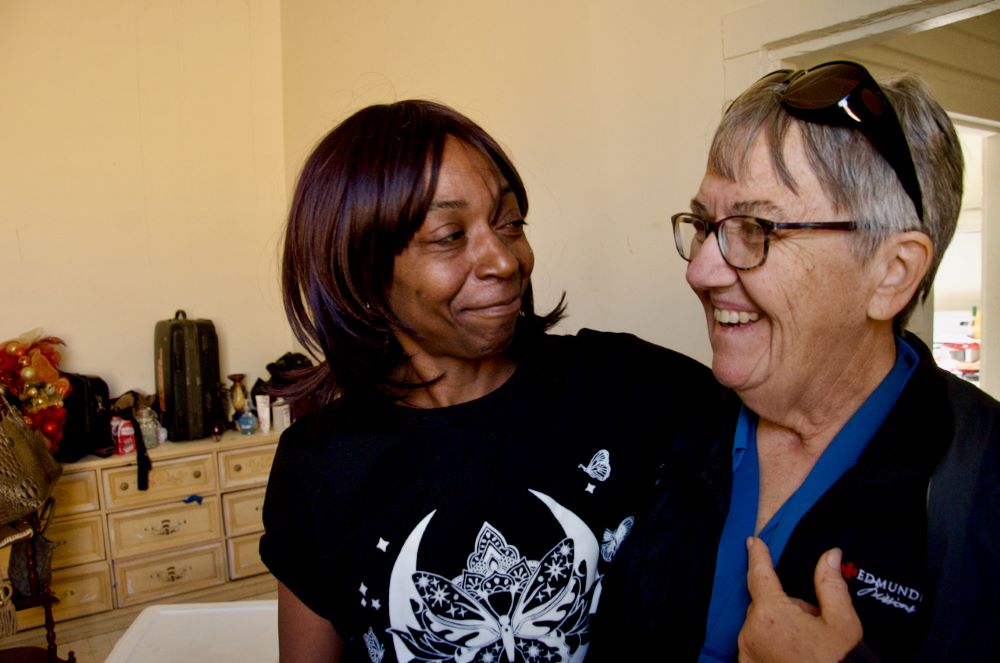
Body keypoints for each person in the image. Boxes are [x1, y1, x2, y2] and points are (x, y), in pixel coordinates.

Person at [259, 99, 718, 662]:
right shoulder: (320, 464)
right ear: (363, 269)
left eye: (510, 222)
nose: (504, 260)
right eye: (451, 235)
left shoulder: (631, 387)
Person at [597, 61, 1000, 661]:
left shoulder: (982, 485)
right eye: (706, 225)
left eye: (755, 228)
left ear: (892, 274)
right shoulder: (668, 420)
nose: (699, 271)